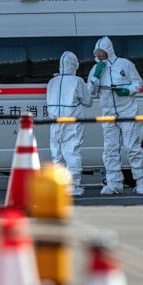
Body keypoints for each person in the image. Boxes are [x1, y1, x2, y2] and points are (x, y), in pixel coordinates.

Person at [86, 36, 143, 196]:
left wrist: (127, 90)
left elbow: (139, 83)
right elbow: (90, 93)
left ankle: (142, 181)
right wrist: (96, 77)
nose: (99, 56)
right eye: (97, 53)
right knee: (110, 150)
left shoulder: (125, 64)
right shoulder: (95, 69)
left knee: (132, 147)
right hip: (108, 114)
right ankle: (114, 184)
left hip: (127, 112)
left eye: (101, 52)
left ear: (108, 51)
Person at [46, 51, 93, 196]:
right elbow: (88, 102)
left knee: (57, 154)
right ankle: (73, 186)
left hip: (55, 122)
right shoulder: (77, 81)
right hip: (72, 121)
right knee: (72, 152)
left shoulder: (52, 81)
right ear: (74, 64)